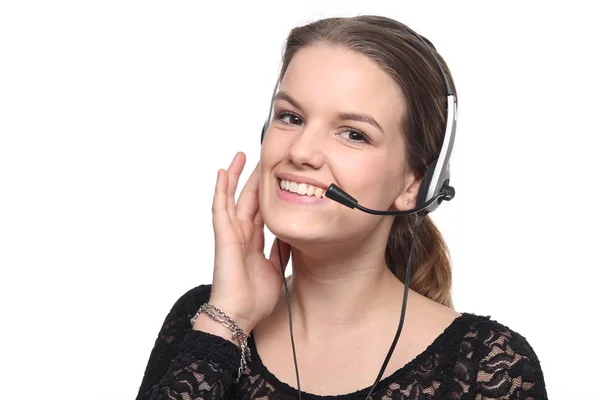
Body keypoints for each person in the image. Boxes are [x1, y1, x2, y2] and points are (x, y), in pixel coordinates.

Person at [135, 15, 547, 399]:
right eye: (291, 117)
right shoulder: (203, 318)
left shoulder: (487, 365)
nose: (300, 151)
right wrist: (226, 322)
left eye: (353, 133)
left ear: (415, 184)